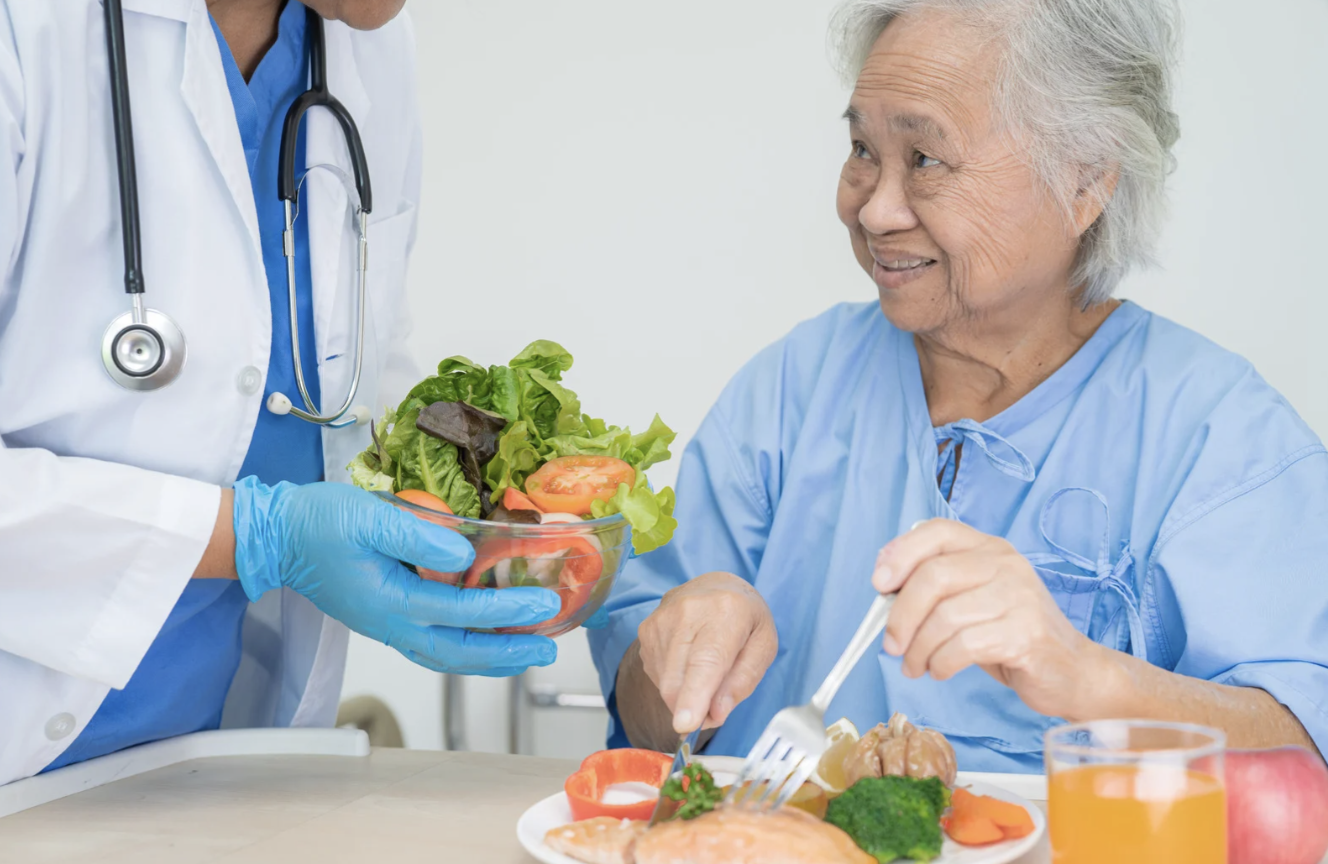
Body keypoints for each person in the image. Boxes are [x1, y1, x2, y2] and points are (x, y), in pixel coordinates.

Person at [590, 0, 1328, 773]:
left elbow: (1305, 748)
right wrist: (671, 659)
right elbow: (647, 724)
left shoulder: (1218, 435)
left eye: (927, 159)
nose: (873, 207)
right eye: (862, 149)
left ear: (1085, 184)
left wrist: (1090, 677)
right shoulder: (789, 390)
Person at [0, 0, 560, 786]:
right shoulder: (26, 32)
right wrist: (261, 536)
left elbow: (359, 355)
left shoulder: (365, 42)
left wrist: (481, 514)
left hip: (217, 754)